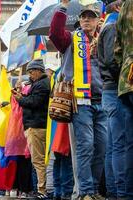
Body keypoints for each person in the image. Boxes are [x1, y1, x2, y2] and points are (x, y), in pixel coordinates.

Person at [49, 1, 107, 199]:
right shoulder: (71, 39)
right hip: (80, 102)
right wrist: (63, 7)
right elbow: (55, 33)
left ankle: (94, 188)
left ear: (99, 20)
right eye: (83, 17)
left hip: (102, 101)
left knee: (102, 147)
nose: (86, 20)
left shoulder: (103, 40)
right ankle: (86, 192)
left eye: (91, 17)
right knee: (86, 146)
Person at [97, 1, 125, 199]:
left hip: (110, 91)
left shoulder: (108, 25)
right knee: (118, 144)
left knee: (114, 144)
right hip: (114, 90)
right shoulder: (113, 26)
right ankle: (118, 192)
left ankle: (114, 191)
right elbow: (111, 61)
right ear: (117, 7)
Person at [13, 59, 51, 200]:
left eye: (31, 72)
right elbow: (31, 99)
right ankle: (40, 189)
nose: (30, 75)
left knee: (38, 161)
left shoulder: (42, 84)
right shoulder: (38, 83)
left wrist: (19, 99)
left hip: (37, 127)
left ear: (38, 70)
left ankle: (42, 190)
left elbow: (34, 102)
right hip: (35, 125)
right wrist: (21, 96)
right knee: (38, 161)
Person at [114, 0, 133, 198]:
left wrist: (126, 66)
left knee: (129, 143)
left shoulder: (126, 5)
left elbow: (117, 48)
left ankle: (126, 194)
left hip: (126, 83)